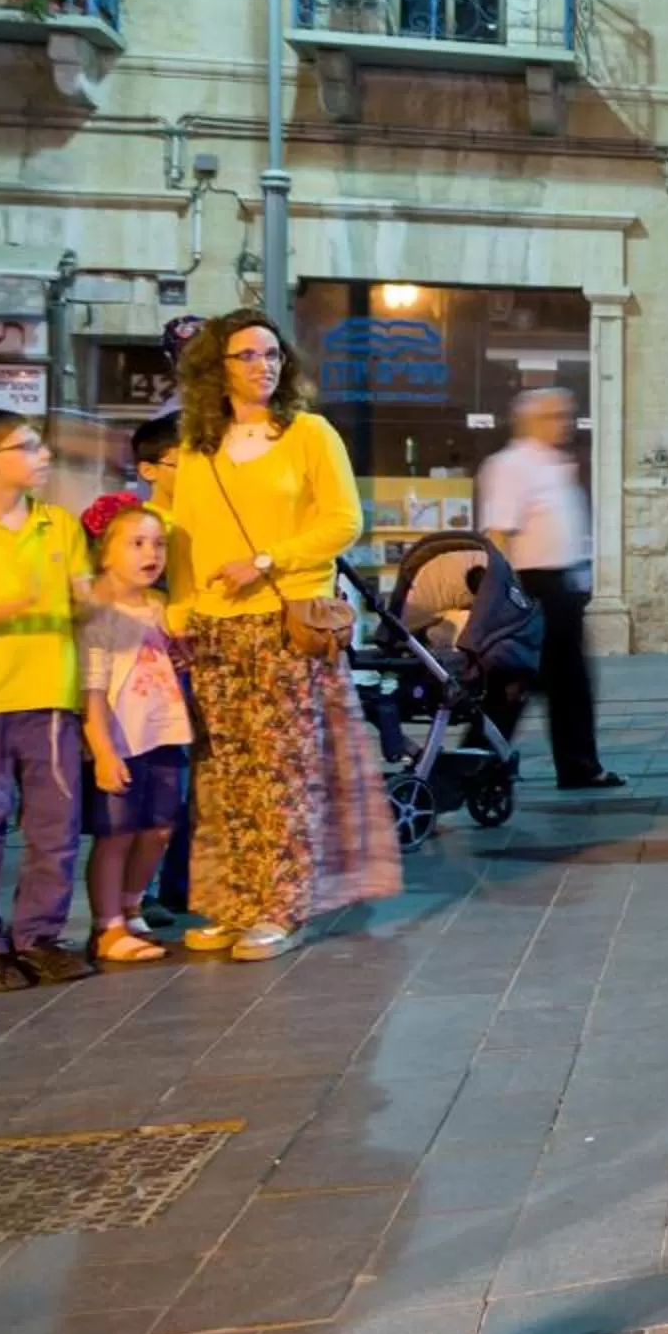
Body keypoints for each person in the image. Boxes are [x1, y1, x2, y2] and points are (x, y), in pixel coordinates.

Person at [163, 311, 400, 958]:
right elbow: (182, 538)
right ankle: (230, 901)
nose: (262, 365)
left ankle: (280, 904)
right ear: (217, 367)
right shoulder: (198, 444)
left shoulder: (307, 433)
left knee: (283, 772)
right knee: (223, 772)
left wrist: (267, 559)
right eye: (245, 355)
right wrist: (179, 614)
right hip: (214, 628)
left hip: (285, 621)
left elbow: (343, 521)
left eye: (271, 354)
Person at [0, 412, 91, 991]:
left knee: (55, 824)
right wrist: (16, 604)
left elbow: (82, 602)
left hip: (50, 695)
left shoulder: (60, 526)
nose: (42, 456)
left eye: (41, 446)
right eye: (25, 447)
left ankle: (39, 936)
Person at [476, 388, 621, 792]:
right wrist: (508, 597)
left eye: (567, 414)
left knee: (569, 684)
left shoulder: (555, 463)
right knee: (512, 684)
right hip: (532, 586)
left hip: (561, 588)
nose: (566, 422)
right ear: (531, 420)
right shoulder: (511, 465)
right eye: (556, 415)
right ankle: (475, 766)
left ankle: (579, 766)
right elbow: (499, 532)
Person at [78, 501, 190, 966]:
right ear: (105, 553)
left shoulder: (159, 606)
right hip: (120, 740)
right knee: (116, 832)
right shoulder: (97, 614)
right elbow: (93, 692)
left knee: (159, 828)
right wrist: (103, 751)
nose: (153, 553)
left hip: (164, 732)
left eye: (160, 544)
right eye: (137, 543)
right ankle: (106, 926)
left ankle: (131, 904)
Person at [127, 412, 193, 930]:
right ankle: (137, 893)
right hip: (152, 674)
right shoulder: (138, 529)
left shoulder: (203, 522)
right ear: (150, 469)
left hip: (199, 663)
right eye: (183, 458)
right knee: (152, 784)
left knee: (188, 784)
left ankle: (181, 885)